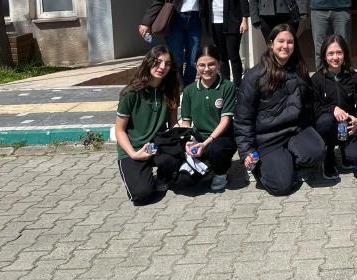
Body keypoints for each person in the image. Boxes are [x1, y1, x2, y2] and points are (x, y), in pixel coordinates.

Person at [234, 24, 325, 195]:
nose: (285, 46)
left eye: (290, 42)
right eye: (280, 41)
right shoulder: (254, 76)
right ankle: (264, 168)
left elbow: (309, 104)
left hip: (295, 131)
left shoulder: (299, 69)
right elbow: (243, 119)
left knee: (316, 151)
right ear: (271, 44)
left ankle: (289, 161)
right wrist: (247, 151)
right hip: (268, 139)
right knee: (281, 186)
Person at [115, 46, 181, 204]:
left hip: (157, 145)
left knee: (179, 159)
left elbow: (173, 124)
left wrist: (184, 139)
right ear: (148, 62)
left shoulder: (171, 90)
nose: (162, 67)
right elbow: (119, 130)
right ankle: (141, 172)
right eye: (157, 62)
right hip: (134, 147)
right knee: (142, 195)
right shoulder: (131, 93)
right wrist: (133, 154)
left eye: (167, 63)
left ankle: (163, 177)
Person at [139, 0, 208, 87]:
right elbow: (158, 1)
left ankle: (188, 89)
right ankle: (178, 88)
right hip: (176, 21)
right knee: (176, 58)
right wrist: (146, 22)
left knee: (193, 59)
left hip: (194, 21)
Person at [180, 45, 237, 191]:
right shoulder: (189, 91)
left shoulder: (228, 87)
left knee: (217, 150)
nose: (206, 69)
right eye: (202, 65)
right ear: (195, 65)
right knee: (184, 182)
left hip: (221, 138)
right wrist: (188, 142)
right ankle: (205, 166)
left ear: (219, 64)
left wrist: (206, 143)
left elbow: (225, 121)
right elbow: (186, 122)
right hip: (199, 138)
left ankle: (221, 173)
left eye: (211, 64)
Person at [311, 35, 357, 179]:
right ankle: (328, 157)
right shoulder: (316, 79)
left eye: (339, 53)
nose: (335, 57)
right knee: (324, 122)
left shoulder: (355, 79)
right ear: (324, 56)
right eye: (330, 53)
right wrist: (332, 109)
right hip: (328, 127)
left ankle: (345, 151)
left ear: (345, 54)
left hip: (348, 129)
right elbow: (313, 107)